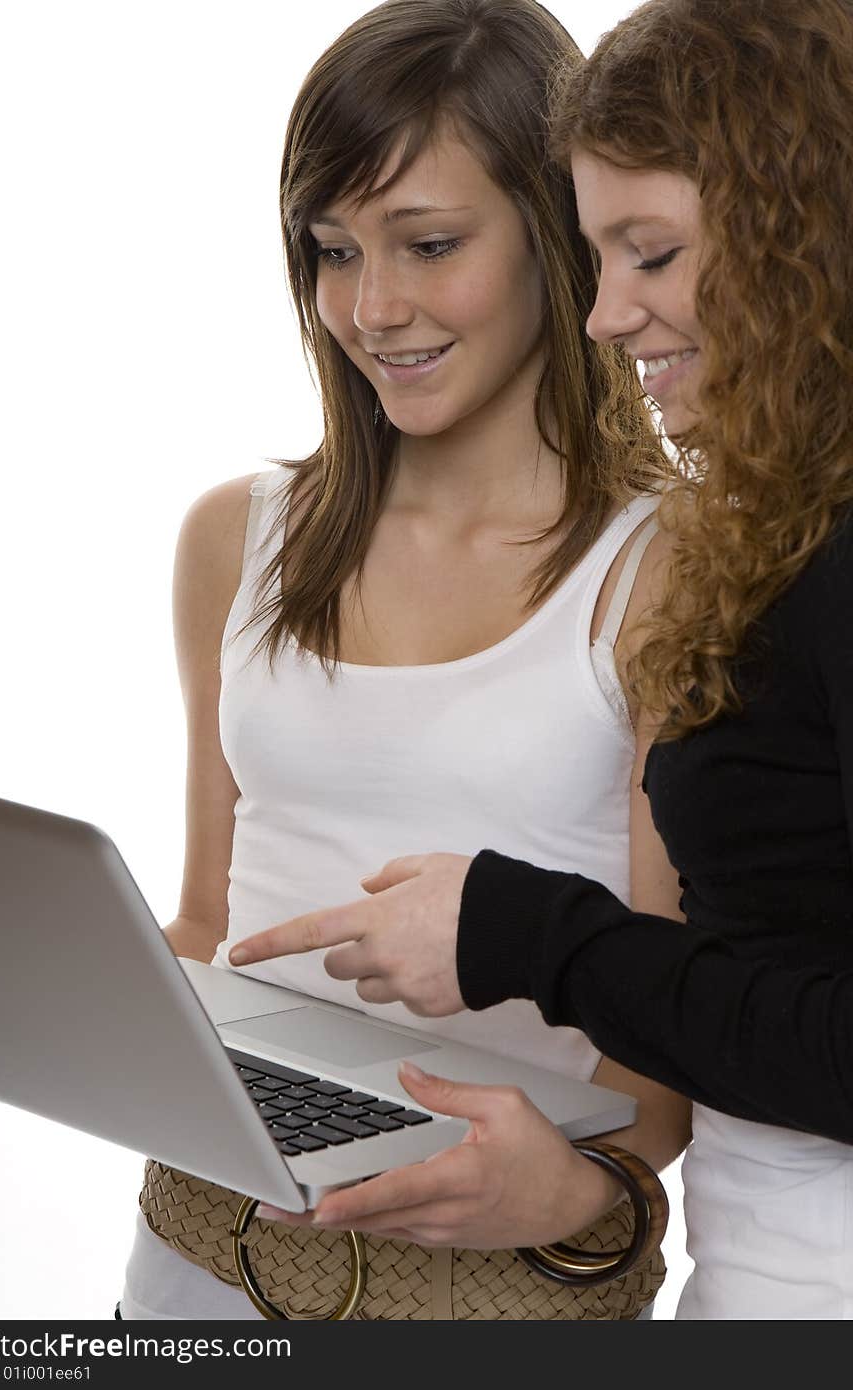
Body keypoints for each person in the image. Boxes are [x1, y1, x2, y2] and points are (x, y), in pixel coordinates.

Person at [232, 0, 853, 1321]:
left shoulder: (689, 560)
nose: (603, 312)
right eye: (599, 252)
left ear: (803, 230)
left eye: (651, 252)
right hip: (753, 1272)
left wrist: (529, 937)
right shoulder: (777, 537)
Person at [117, 0, 692, 1322]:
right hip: (204, 1259)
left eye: (430, 245)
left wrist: (573, 1183)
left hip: (507, 1296)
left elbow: (663, 1053)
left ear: (560, 233)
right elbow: (210, 925)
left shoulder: (667, 571)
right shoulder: (237, 540)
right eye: (331, 250)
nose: (371, 308)